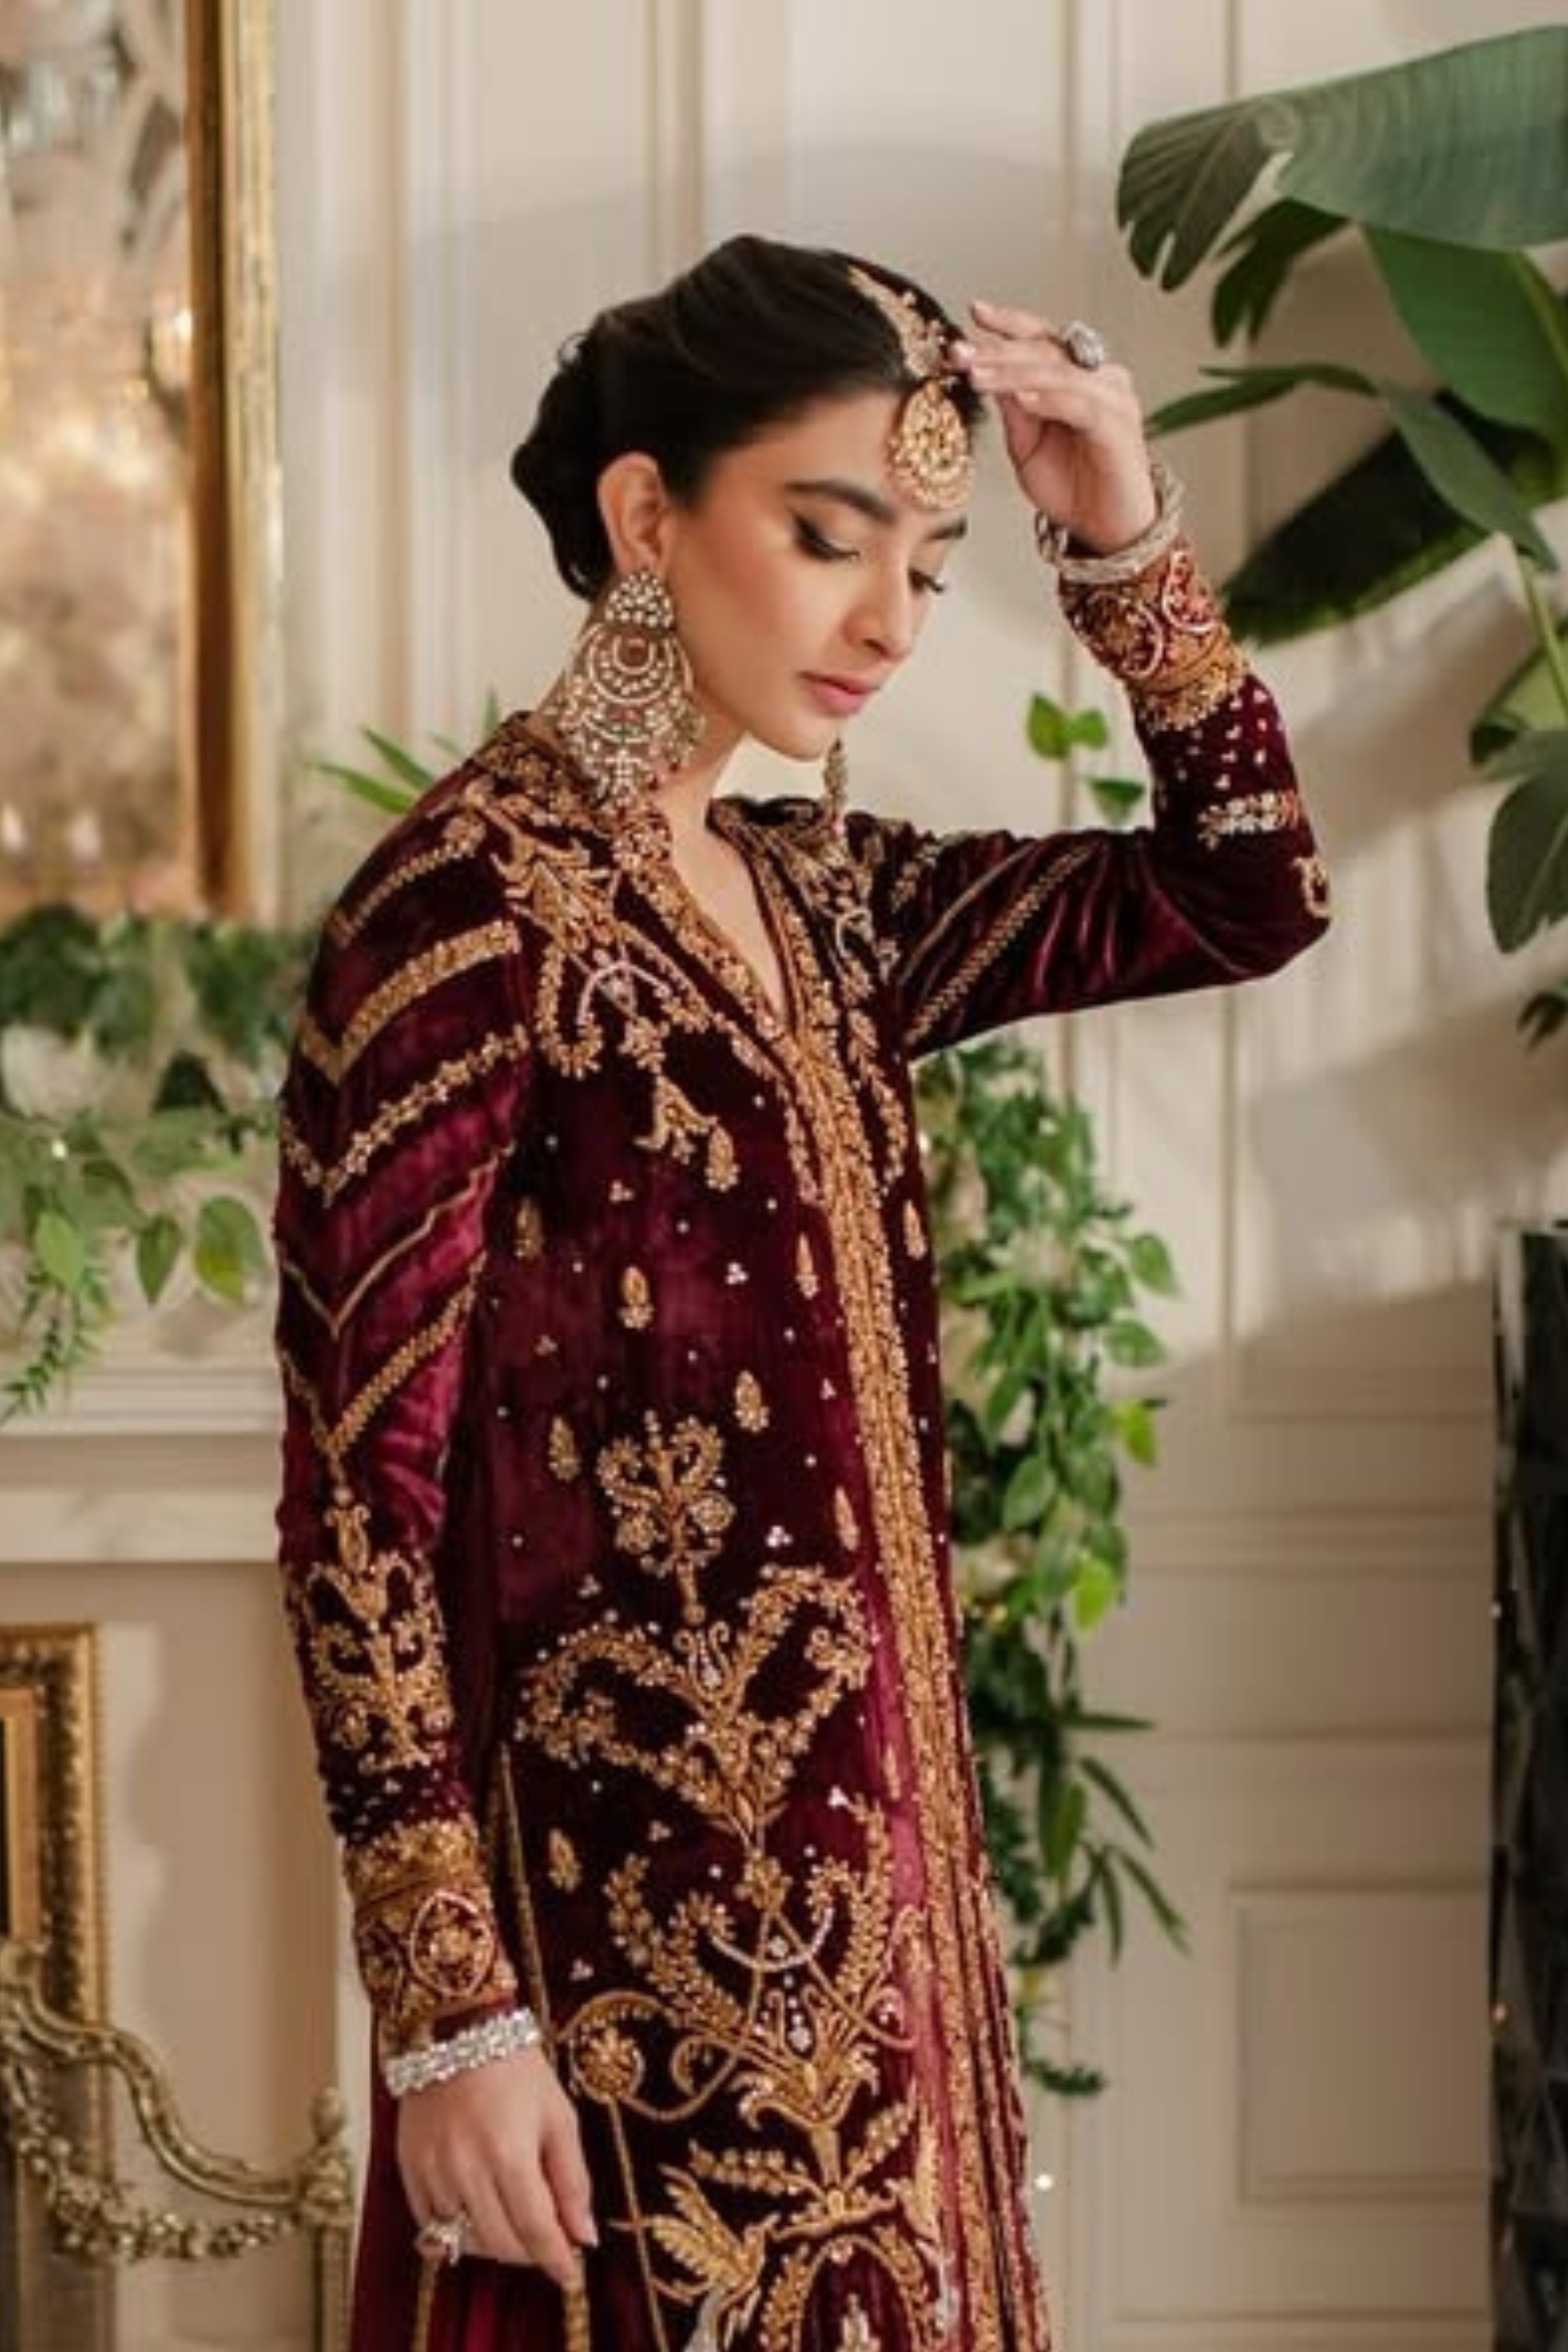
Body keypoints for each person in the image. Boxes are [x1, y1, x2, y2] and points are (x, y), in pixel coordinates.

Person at [273, 232, 1329, 2352]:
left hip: (894, 1968)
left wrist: (1123, 538)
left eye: (931, 567)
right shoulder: (467, 917)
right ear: (647, 512)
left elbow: (1246, 889)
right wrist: (450, 2013)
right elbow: (355, 1511)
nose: (890, 622)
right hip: (619, 1991)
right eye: (832, 537)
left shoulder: (828, 906)